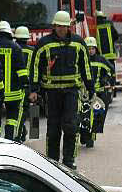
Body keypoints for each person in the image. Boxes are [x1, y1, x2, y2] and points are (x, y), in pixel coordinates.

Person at [30, 10, 93, 169]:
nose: (61, 29)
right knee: (53, 129)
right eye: (58, 26)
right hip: (51, 93)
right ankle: (52, 162)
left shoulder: (78, 43)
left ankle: (69, 161)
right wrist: (34, 89)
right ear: (54, 25)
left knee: (71, 126)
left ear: (69, 27)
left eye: (64, 26)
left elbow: (86, 67)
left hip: (71, 92)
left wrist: (90, 87)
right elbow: (35, 68)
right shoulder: (44, 44)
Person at [0, 21, 27, 140]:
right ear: (9, 33)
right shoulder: (16, 48)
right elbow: (21, 72)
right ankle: (9, 140)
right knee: (11, 119)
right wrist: (26, 85)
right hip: (13, 93)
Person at [82, 36, 115, 148]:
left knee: (97, 116)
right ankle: (84, 134)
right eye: (88, 48)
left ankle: (91, 137)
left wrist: (106, 79)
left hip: (99, 94)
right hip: (84, 94)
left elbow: (111, 70)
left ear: (96, 49)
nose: (90, 50)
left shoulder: (101, 60)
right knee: (83, 116)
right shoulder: (81, 60)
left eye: (92, 48)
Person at [14, 25, 35, 141]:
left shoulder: (13, 48)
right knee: (33, 108)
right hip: (30, 84)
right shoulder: (33, 51)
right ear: (27, 38)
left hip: (15, 84)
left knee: (18, 110)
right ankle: (34, 133)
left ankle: (21, 132)